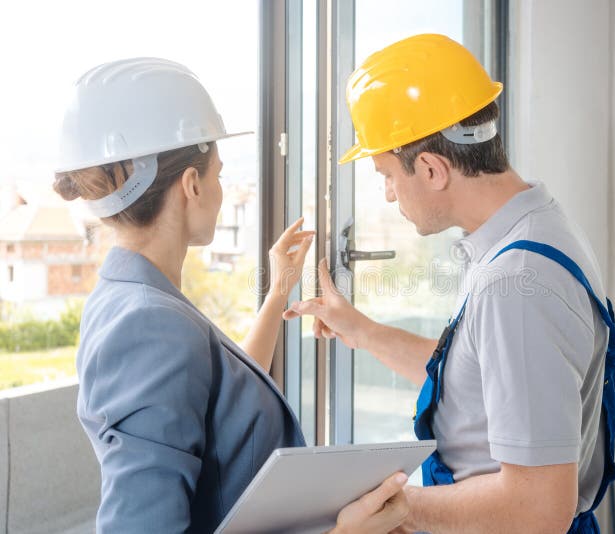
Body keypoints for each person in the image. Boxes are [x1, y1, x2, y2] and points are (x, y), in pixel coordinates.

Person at [53, 57, 409, 534]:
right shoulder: (149, 324)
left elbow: (217, 401)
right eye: (218, 175)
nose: (221, 189)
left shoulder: (132, 298)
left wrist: (279, 289)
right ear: (192, 185)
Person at [284, 34, 615, 533]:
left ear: (431, 169)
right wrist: (360, 331)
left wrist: (397, 507)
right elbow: (476, 380)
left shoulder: (517, 282)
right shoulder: (531, 228)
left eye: (387, 175)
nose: (388, 194)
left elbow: (537, 508)